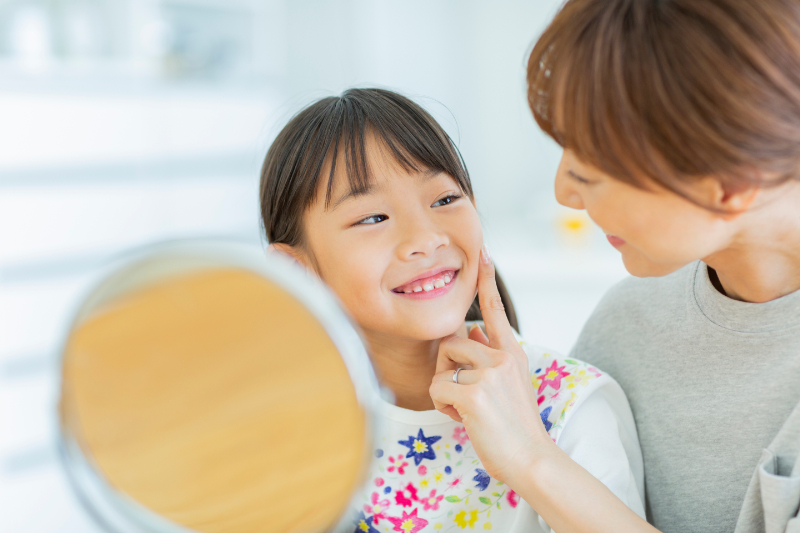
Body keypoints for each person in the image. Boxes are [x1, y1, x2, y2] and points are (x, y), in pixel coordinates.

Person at [429, 1, 800, 532]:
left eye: (592, 172)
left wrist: (533, 460)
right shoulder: (628, 322)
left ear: (734, 181)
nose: (564, 194)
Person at [259, 88, 645, 532]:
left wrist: (529, 456)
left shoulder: (569, 406)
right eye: (372, 218)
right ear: (296, 270)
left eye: (444, 200)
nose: (427, 237)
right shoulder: (269, 425)